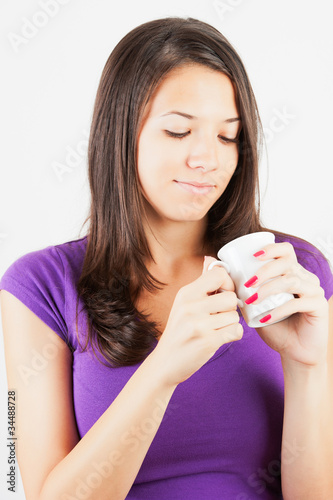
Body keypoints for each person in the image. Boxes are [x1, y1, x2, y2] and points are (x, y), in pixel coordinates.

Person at [1, 16, 332, 500]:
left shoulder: (293, 271)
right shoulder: (41, 286)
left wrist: (308, 368)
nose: (208, 159)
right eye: (179, 132)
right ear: (119, 134)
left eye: (227, 136)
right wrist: (163, 369)